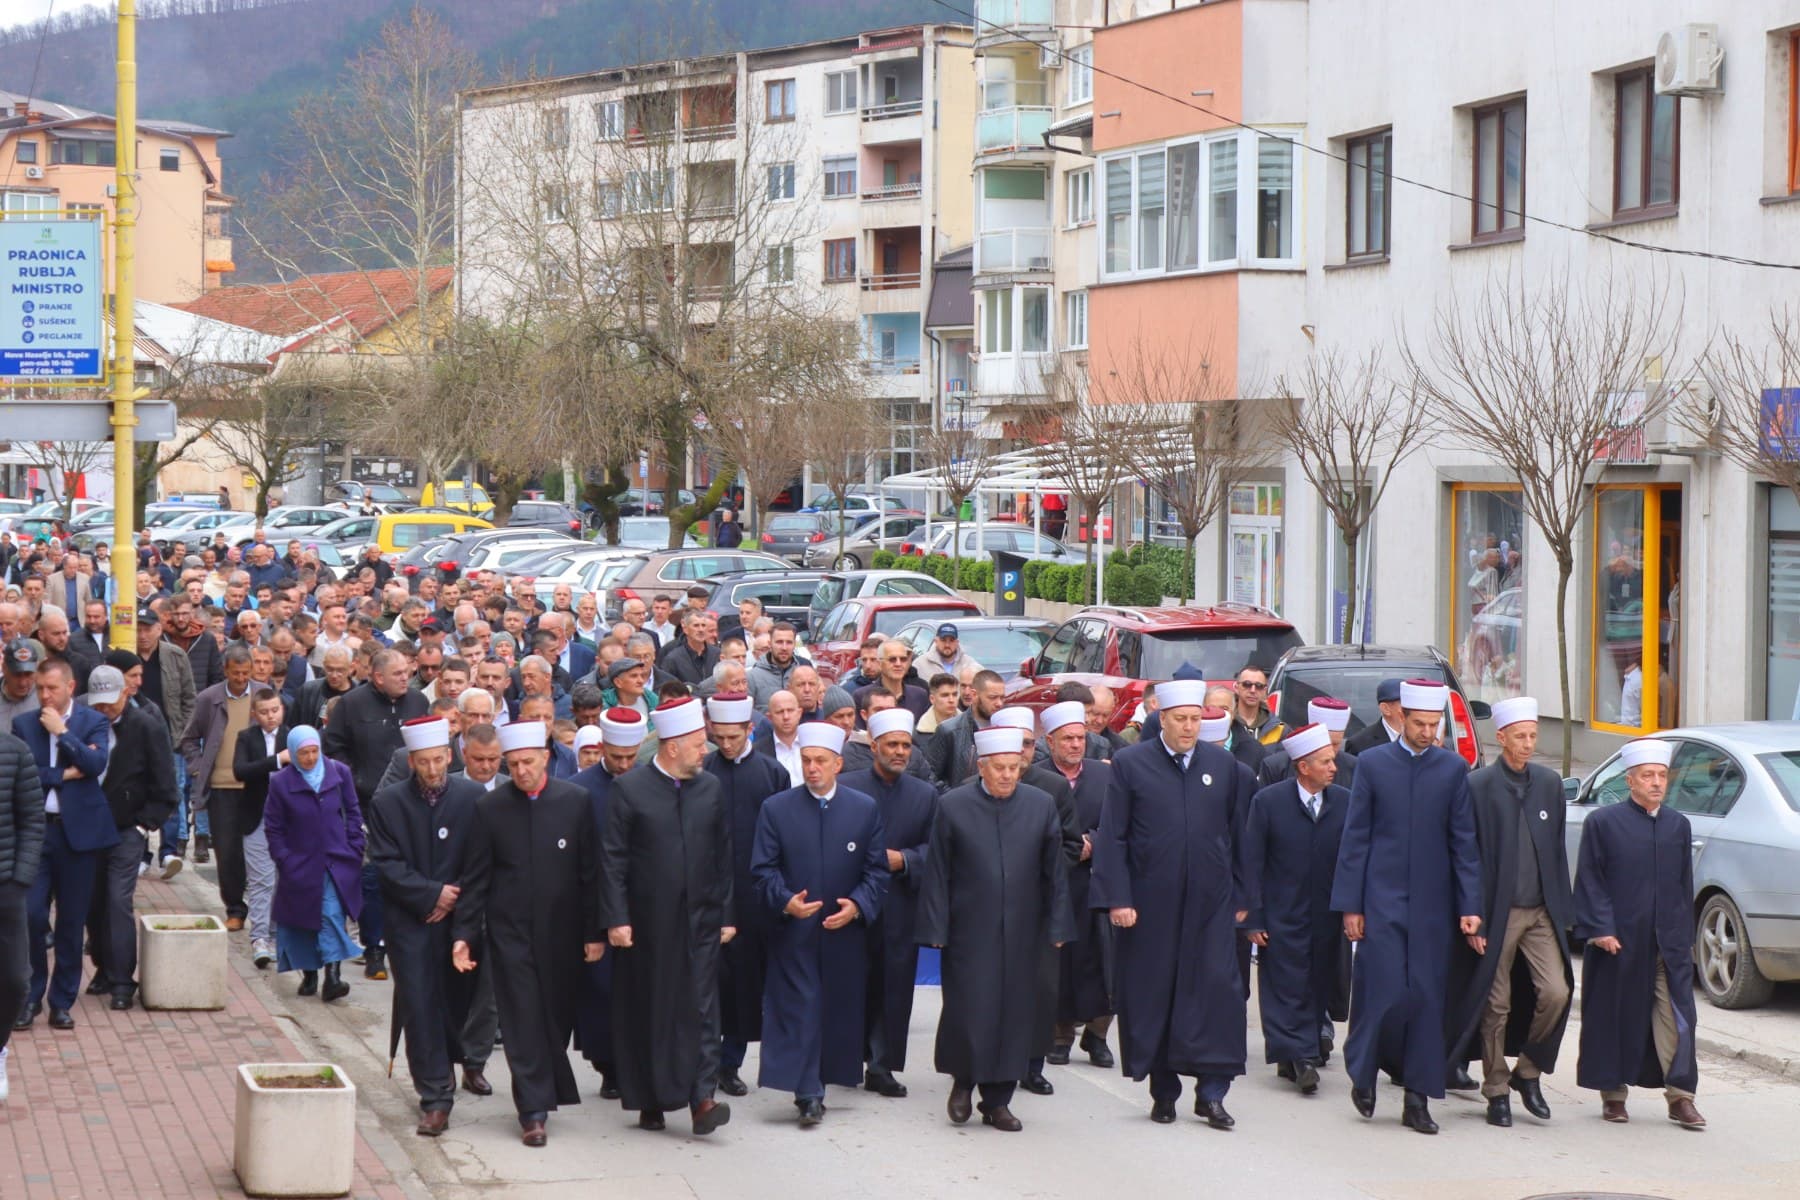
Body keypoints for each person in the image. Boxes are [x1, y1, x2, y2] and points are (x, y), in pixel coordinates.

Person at [1091, 679, 1248, 1129]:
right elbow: (1114, 836)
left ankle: (1213, 1092)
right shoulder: (1130, 764)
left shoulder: (1223, 765)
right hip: (1150, 907)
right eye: (1181, 719)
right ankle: (1164, 1091)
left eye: (1196, 719)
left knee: (1218, 994)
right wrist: (1118, 897)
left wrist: (1243, 896)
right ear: (1162, 718)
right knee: (1156, 996)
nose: (1189, 727)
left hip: (1211, 906)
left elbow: (1241, 835)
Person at [1330, 679, 1483, 1134]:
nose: (1427, 733)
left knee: (1426, 1001)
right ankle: (1364, 1072)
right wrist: (1351, 905)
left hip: (1434, 907)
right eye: (1419, 724)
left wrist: (1470, 903)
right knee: (1382, 994)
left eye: (1434, 726)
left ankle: (1418, 1099)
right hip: (1382, 900)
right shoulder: (1374, 765)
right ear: (1401, 719)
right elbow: (1355, 838)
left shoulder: (1452, 769)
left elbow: (1464, 842)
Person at [451, 721, 602, 1148]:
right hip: (509, 932)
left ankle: (546, 1087)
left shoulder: (575, 801)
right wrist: (464, 934)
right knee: (520, 1018)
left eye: (527, 763)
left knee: (553, 1018)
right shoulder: (491, 808)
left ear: (546, 759)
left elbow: (590, 873)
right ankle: (532, 1110)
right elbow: (476, 878)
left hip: (564, 934)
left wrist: (595, 932)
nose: (520, 772)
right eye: (512, 764)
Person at [916, 726, 1073, 1132]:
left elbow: (1054, 872)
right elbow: (937, 872)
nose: (1006, 775)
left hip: (1026, 929)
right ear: (982, 767)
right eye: (998, 768)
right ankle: (964, 1082)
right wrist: (935, 926)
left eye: (1013, 768)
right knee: (971, 1009)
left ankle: (998, 1100)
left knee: (1016, 1013)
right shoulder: (953, 806)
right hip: (970, 929)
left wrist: (1058, 924)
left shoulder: (1040, 806)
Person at [600, 697, 735, 1136]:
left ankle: (702, 1098)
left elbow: (723, 856)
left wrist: (727, 913)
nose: (705, 750)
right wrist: (617, 918)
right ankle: (650, 1098)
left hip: (702, 919)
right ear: (673, 746)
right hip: (648, 924)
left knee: (703, 1007)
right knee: (652, 1009)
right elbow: (613, 861)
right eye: (698, 744)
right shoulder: (630, 790)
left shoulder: (710, 788)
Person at [750, 721, 887, 1127]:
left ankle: (824, 1081)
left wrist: (858, 906)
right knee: (800, 1008)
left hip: (843, 934)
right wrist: (785, 901)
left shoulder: (863, 809)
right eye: (806, 761)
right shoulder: (776, 808)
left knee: (836, 1010)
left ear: (838, 764)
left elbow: (876, 871)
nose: (812, 769)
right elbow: (762, 869)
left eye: (820, 762)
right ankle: (807, 1092)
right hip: (795, 933)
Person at [1447, 697, 1575, 1127]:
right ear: (1501, 737)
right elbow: (1467, 853)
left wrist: (1565, 912)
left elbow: (1556, 850)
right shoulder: (1478, 786)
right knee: (1496, 1003)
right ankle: (1497, 1089)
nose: (1527, 743)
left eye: (1533, 736)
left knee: (1557, 991)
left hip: (1541, 911)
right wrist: (1474, 913)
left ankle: (1528, 1072)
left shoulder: (1549, 784)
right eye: (1520, 736)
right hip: (1497, 913)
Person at [1572, 738, 1705, 1131]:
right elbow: (1590, 879)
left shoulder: (1677, 825)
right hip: (1619, 942)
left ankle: (1681, 1097)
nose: (1656, 783)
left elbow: (1684, 884)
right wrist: (1601, 928)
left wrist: (1686, 934)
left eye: (1662, 776)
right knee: (1616, 1016)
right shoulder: (1603, 823)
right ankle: (1613, 1096)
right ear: (1630, 780)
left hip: (1669, 944)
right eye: (1647, 776)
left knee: (1679, 1018)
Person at [366, 716, 484, 1139]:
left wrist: (454, 897)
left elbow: (482, 858)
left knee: (455, 1002)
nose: (433, 771)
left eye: (438, 761)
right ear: (411, 761)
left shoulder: (471, 797)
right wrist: (432, 894)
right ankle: (434, 1097)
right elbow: (386, 862)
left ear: (449, 756)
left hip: (461, 922)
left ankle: (451, 1067)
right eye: (424, 763)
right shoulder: (388, 804)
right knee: (418, 1005)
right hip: (410, 923)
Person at [1240, 723, 1351, 1096]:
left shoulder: (1344, 803)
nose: (1333, 768)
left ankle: (1294, 1054)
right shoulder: (1268, 802)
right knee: (1285, 986)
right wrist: (1253, 916)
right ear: (1303, 766)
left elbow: (1353, 859)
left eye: (1333, 761)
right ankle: (1302, 1056)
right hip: (1280, 913)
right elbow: (1252, 862)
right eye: (1324, 762)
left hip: (1326, 913)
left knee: (1318, 982)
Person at [839, 707, 937, 1098]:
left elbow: (937, 850)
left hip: (899, 903)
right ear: (874, 745)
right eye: (892, 745)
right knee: (849, 984)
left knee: (893, 987)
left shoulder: (925, 794)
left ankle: (881, 1067)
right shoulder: (847, 787)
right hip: (851, 901)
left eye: (905, 745)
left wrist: (906, 859)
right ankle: (843, 1060)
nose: (899, 752)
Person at [12, 658, 111, 1032]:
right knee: (33, 916)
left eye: (51, 688)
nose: (44, 695)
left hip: (79, 836)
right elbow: (24, 775)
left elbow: (96, 762)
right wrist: (65, 774)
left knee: (71, 922)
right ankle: (30, 997)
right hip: (37, 832)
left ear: (70, 688)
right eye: (40, 688)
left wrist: (63, 733)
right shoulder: (23, 725)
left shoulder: (93, 721)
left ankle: (62, 1000)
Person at [700, 692, 792, 1098]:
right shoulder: (702, 770)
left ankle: (730, 1062)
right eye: (718, 737)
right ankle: (701, 1060)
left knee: (745, 986)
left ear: (749, 729)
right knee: (706, 983)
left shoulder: (773, 774)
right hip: (708, 893)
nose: (725, 744)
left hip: (755, 896)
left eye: (732, 737)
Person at [323, 648, 429, 980]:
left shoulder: (418, 703)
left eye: (407, 673)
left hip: (413, 806)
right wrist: (354, 778)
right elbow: (334, 746)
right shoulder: (353, 704)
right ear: (378, 677)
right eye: (398, 674)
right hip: (367, 804)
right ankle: (374, 949)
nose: (406, 678)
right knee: (372, 878)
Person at [84, 666, 178, 1011]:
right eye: (99, 704)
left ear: (126, 693)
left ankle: (124, 978)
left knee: (116, 899)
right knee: (92, 902)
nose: (104, 710)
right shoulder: (86, 721)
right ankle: (105, 968)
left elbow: (166, 786)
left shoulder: (146, 726)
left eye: (110, 702)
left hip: (126, 829)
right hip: (88, 828)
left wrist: (143, 825)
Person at [570, 708, 648, 1100]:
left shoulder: (651, 785)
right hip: (595, 908)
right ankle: (608, 1066)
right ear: (602, 747)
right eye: (616, 756)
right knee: (600, 993)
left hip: (643, 908)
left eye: (630, 757)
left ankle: (635, 1064)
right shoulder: (580, 789)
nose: (623, 764)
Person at [1037, 701, 1116, 1070]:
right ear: (1050, 741)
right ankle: (1060, 1035)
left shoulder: (1104, 777)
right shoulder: (1036, 779)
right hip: (1054, 881)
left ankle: (1097, 1036)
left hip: (1096, 881)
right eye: (1066, 739)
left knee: (1101, 961)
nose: (1075, 745)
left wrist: (1094, 843)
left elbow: (1120, 825)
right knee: (1060, 960)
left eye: (1080, 738)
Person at [263, 726, 363, 1004]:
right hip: (300, 862)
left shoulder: (339, 773)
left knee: (330, 913)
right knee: (303, 919)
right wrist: (283, 857)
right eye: (303, 753)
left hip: (336, 859)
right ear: (293, 754)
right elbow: (273, 826)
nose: (309, 758)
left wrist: (355, 847)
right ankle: (310, 974)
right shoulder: (281, 782)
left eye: (314, 751)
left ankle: (333, 977)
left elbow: (353, 812)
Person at [0, 716, 44, 1100]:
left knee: (15, 980)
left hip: (6, 890)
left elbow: (32, 820)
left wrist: (19, 881)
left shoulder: (15, 752)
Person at [231, 689, 289, 969]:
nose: (271, 716)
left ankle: (278, 935)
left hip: (289, 820)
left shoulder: (292, 735)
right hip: (256, 816)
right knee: (261, 879)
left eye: (275, 710)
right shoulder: (247, 737)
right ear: (254, 714)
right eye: (264, 711)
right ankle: (259, 939)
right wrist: (278, 761)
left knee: (283, 878)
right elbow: (240, 770)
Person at [1256, 697, 1358, 793]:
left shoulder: (1354, 767)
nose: (1330, 750)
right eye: (1326, 743)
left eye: (1335, 744)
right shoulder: (1275, 768)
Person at [1342, 679, 1404, 757]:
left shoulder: (1421, 737)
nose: (1412, 709)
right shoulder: (1360, 745)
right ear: (1386, 709)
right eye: (1405, 704)